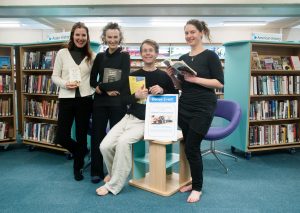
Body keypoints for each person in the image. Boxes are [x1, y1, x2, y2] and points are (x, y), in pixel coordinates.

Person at [96, 39, 177, 196]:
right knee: (104, 146)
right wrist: (135, 95)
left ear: (156, 54)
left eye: (150, 50)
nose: (147, 53)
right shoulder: (134, 76)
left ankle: (114, 185)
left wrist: (162, 90)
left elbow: (174, 96)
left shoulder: (163, 76)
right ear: (140, 54)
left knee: (123, 142)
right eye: (144, 50)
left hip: (148, 121)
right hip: (129, 117)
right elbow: (122, 99)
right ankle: (114, 174)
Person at [166, 19, 224, 203]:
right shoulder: (183, 58)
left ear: (201, 33)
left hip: (203, 106)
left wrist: (195, 80)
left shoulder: (210, 56)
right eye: (186, 33)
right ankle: (192, 181)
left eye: (192, 32)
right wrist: (173, 77)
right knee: (188, 146)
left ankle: (197, 187)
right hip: (185, 106)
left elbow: (219, 83)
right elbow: (180, 86)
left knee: (192, 146)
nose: (189, 36)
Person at [52, 22, 95, 181]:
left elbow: (95, 77)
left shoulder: (92, 56)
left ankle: (78, 168)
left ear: (87, 37)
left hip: (85, 100)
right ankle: (81, 151)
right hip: (66, 99)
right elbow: (54, 76)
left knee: (81, 134)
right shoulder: (62, 53)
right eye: (77, 34)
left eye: (83, 35)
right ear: (72, 36)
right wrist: (65, 84)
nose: (80, 38)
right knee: (61, 136)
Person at [89, 22, 130, 184]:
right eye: (109, 37)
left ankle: (114, 171)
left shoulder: (125, 56)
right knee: (97, 136)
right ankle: (96, 171)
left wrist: (101, 87)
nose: (112, 40)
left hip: (117, 102)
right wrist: (103, 89)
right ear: (104, 39)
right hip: (100, 102)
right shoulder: (99, 57)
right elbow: (92, 80)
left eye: (115, 37)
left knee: (115, 139)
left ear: (119, 38)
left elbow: (123, 80)